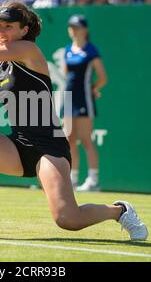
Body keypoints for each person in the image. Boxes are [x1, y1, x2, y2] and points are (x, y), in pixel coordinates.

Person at [0, 1, 147, 241]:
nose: (1, 32)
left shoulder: (28, 51)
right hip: (16, 147)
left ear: (24, 30)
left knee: (67, 219)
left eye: (8, 26)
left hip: (49, 149)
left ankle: (120, 211)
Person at [62, 14, 107, 192]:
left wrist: (93, 89)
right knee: (69, 139)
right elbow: (67, 74)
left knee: (86, 139)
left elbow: (103, 77)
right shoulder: (67, 49)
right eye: (71, 27)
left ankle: (93, 181)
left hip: (83, 97)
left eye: (77, 27)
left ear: (85, 30)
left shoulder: (91, 51)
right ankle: (72, 180)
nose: (73, 30)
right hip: (68, 97)